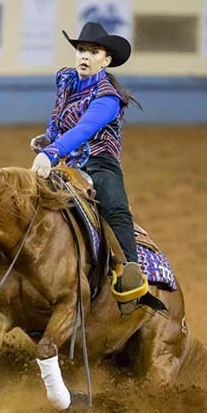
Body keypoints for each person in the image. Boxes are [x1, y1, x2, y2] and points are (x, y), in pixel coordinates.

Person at [30, 21, 147, 314]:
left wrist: (51, 152)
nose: (84, 56)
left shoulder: (108, 97)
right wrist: (49, 140)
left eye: (93, 52)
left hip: (99, 163)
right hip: (65, 163)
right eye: (81, 49)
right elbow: (58, 118)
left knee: (115, 207)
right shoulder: (66, 80)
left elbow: (85, 129)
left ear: (106, 61)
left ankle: (128, 273)